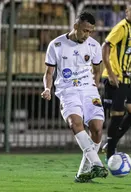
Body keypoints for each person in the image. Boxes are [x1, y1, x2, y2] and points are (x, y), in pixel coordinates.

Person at [41, 11, 108, 183]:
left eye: (91, 31)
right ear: (75, 26)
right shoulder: (56, 45)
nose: (87, 35)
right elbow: (49, 73)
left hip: (89, 90)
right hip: (67, 90)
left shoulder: (93, 46)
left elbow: (98, 70)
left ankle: (82, 173)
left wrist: (95, 86)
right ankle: (97, 164)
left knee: (97, 128)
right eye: (85, 30)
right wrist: (47, 89)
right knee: (75, 123)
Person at [101, 0, 131, 160]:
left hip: (126, 79)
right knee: (117, 114)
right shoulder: (121, 28)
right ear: (126, 12)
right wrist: (110, 73)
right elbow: (105, 47)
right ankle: (110, 155)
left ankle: (111, 143)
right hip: (115, 78)